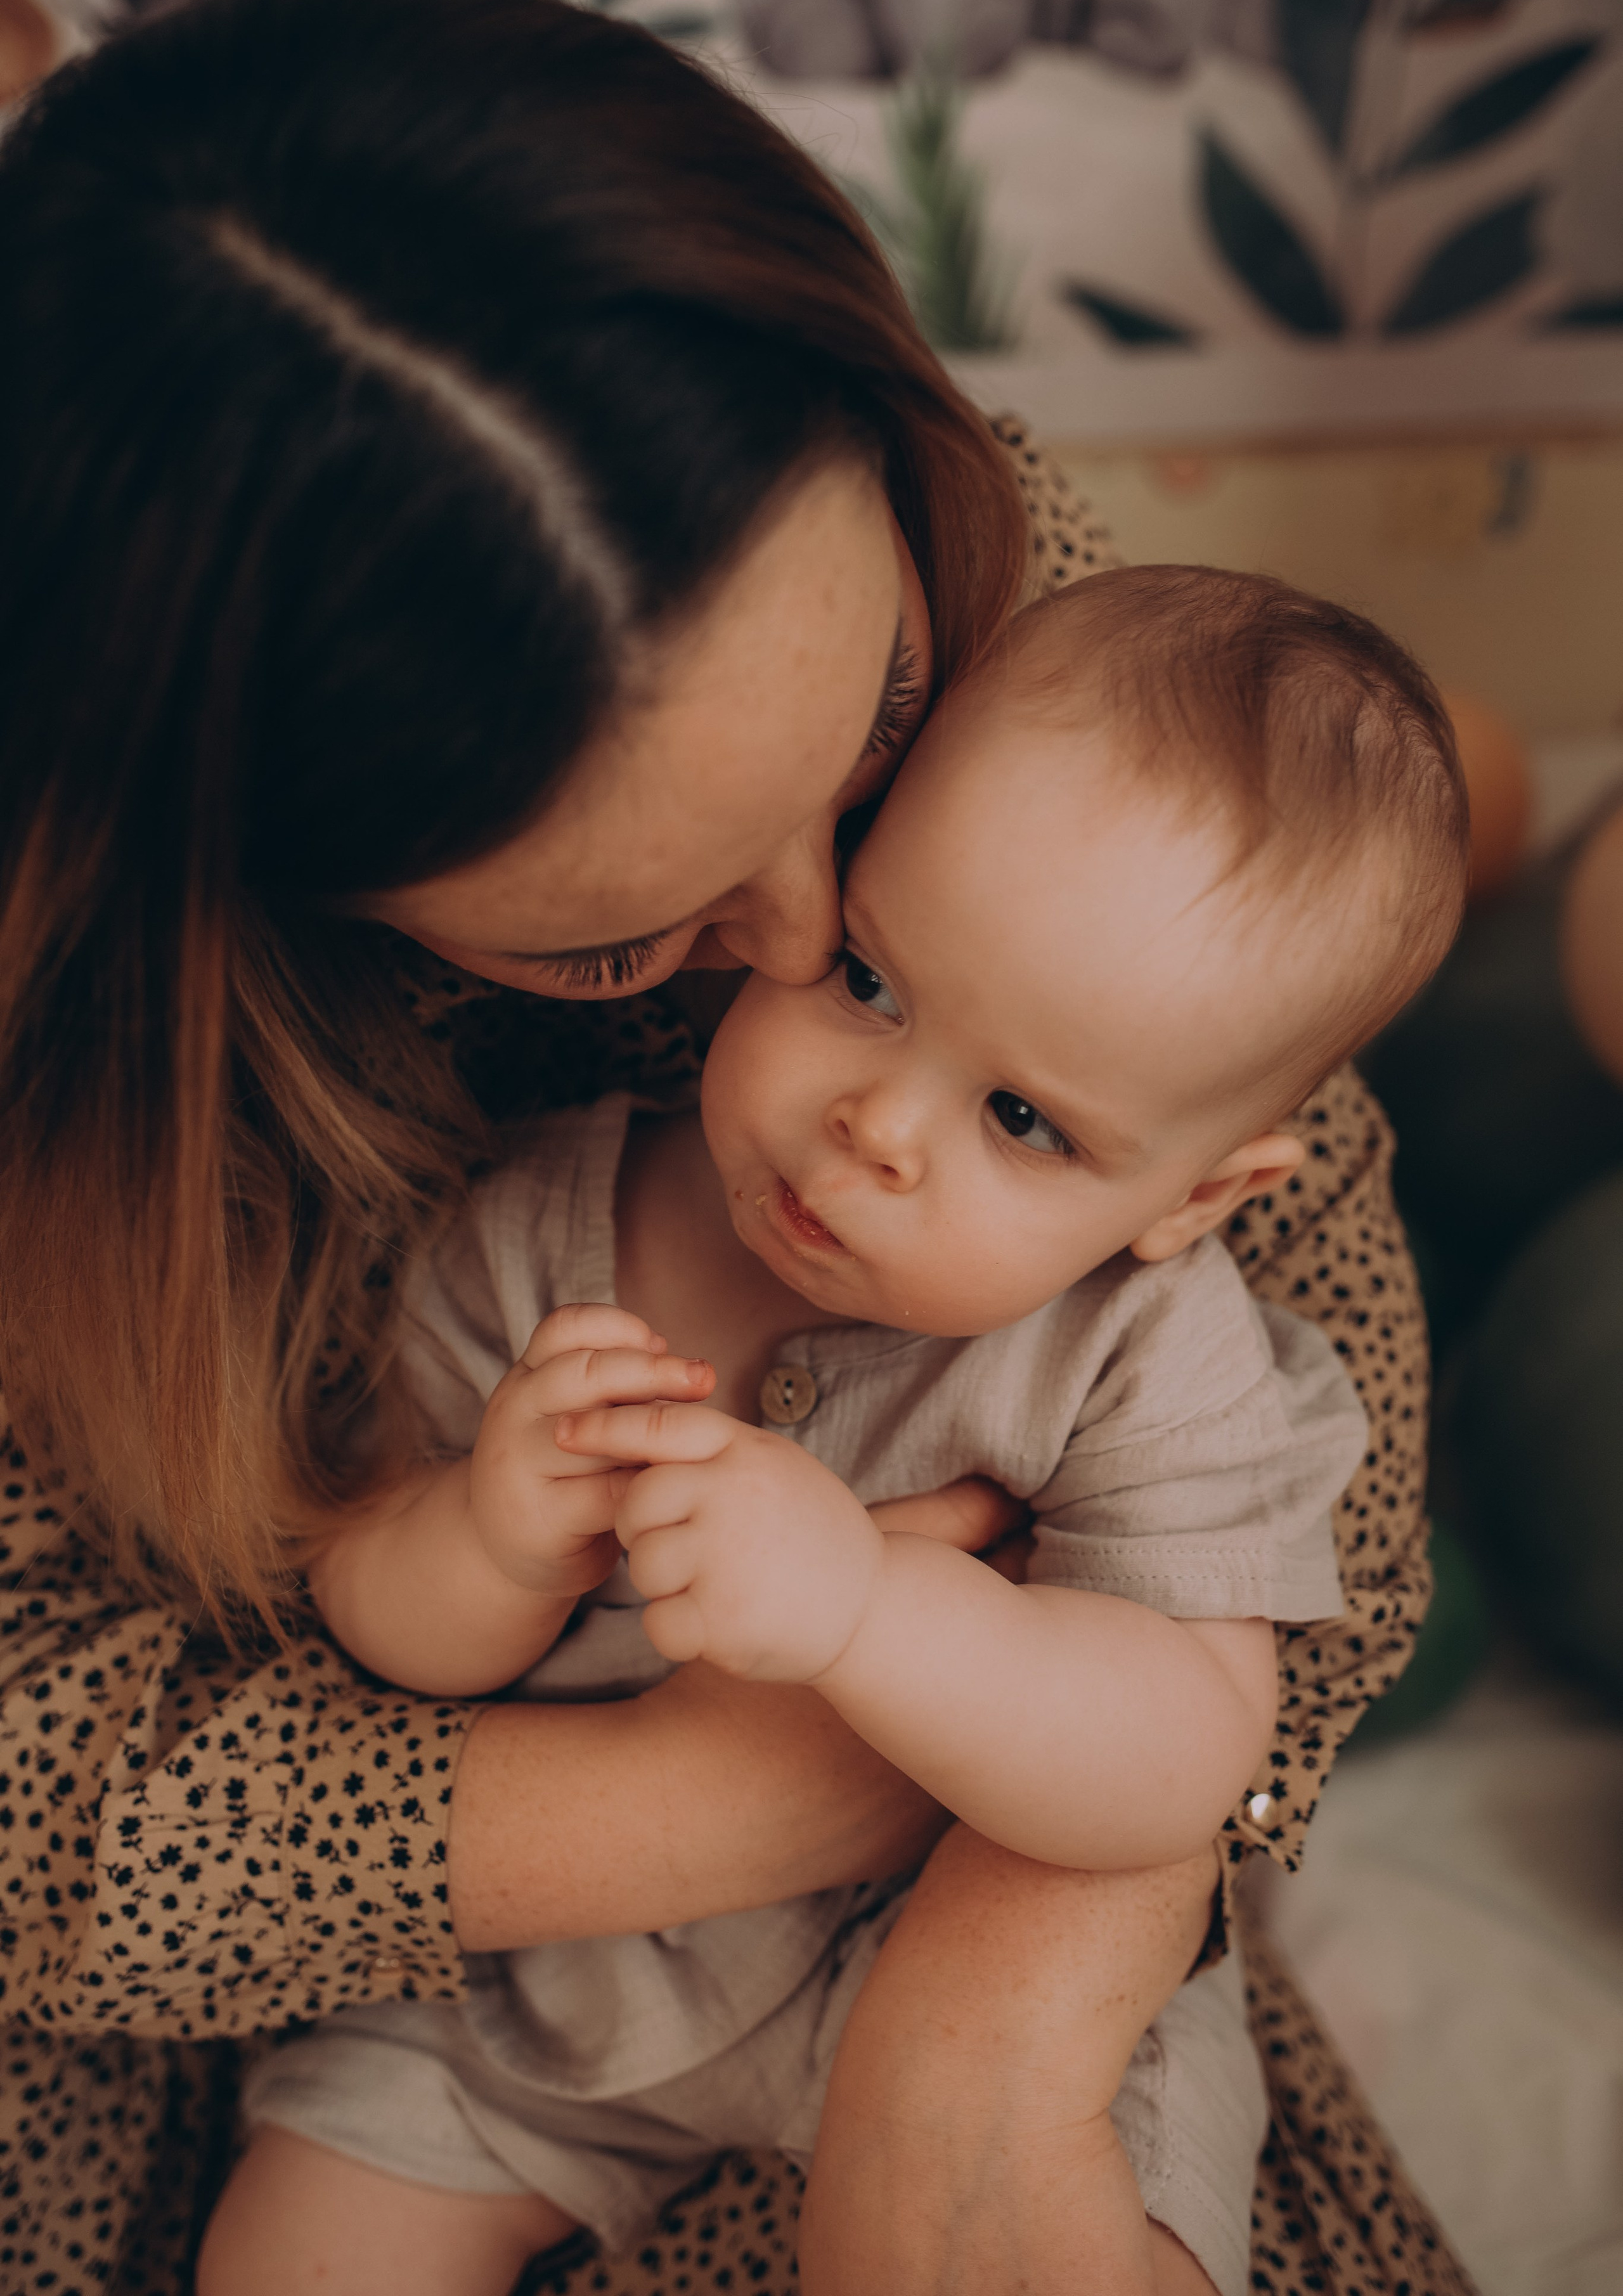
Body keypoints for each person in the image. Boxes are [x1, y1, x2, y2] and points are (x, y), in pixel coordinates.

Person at [0, 0, 1466, 2296]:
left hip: (962, 1910)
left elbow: (1290, 1520)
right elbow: (111, 1766)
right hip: (431, 1965)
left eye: (879, 732)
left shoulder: (1016, 634)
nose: (804, 964)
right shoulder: (522, 1233)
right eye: (625, 940)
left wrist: (977, 2032)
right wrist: (651, 1735)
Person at [202, 568, 1466, 2296]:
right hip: (544, 1992)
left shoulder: (1145, 1352)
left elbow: (1183, 1753)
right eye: (869, 978)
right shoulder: (532, 1234)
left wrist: (875, 1616)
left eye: (1022, 1118)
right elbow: (369, 1610)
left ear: (1196, 1200)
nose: (876, 1126)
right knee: (297, 2244)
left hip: (927, 1957)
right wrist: (486, 1541)